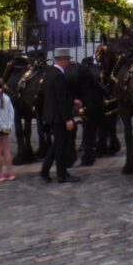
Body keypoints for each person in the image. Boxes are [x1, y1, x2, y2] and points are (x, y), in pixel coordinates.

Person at [39, 49, 80, 184]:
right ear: (61, 60)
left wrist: (72, 101)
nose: (69, 62)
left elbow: (55, 95)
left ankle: (45, 170)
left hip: (51, 115)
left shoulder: (50, 73)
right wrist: (67, 119)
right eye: (67, 59)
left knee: (57, 144)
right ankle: (62, 174)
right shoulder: (58, 76)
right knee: (61, 146)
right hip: (58, 116)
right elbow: (60, 99)